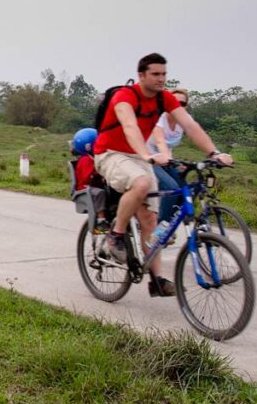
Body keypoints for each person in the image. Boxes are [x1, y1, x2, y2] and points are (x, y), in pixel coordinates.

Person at [94, 53, 232, 297]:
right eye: (155, 74)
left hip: (139, 155)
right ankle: (115, 236)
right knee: (142, 182)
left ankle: (156, 280)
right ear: (141, 75)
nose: (161, 79)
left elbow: (190, 126)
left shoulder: (164, 98)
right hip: (111, 153)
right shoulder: (124, 96)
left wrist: (214, 152)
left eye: (164, 74)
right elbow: (130, 127)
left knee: (150, 220)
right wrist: (148, 155)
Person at [147, 88, 191, 227]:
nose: (178, 105)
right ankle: (160, 226)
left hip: (166, 160)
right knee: (171, 186)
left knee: (186, 189)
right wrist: (166, 158)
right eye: (174, 101)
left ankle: (171, 221)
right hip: (148, 158)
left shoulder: (183, 121)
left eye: (182, 104)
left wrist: (216, 153)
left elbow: (197, 135)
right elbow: (160, 140)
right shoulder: (160, 118)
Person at [71, 127, 106, 227]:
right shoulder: (86, 160)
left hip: (93, 185)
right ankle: (101, 219)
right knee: (100, 193)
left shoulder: (92, 157)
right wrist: (100, 176)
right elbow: (87, 177)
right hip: (86, 187)